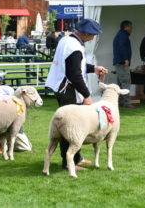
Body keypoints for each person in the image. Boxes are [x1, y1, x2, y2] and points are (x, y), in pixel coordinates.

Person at [46, 18, 108, 171]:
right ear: (85, 33)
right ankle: (68, 162)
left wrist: (93, 68)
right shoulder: (73, 46)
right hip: (68, 90)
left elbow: (77, 66)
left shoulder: (67, 41)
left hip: (62, 87)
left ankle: (76, 158)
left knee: (71, 125)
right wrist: (87, 95)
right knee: (71, 126)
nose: (93, 37)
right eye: (93, 34)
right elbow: (74, 74)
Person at [0, 72, 32, 153]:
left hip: (12, 122)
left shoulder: (8, 90)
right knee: (1, 150)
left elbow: (18, 107)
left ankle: (11, 142)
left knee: (26, 148)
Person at [113, 20, 135, 108]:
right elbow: (122, 46)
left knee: (120, 83)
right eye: (131, 27)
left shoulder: (120, 34)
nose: (132, 29)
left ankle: (120, 101)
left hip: (118, 61)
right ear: (126, 27)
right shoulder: (123, 35)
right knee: (126, 81)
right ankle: (126, 102)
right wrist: (126, 58)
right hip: (122, 62)